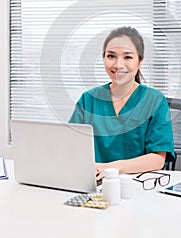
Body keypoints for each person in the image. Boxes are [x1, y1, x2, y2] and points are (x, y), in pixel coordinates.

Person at [69, 26, 175, 180]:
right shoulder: (88, 100)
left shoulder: (155, 100)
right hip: (93, 183)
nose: (118, 65)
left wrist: (112, 168)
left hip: (137, 185)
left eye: (127, 57)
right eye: (111, 56)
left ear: (140, 62)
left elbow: (158, 159)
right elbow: (70, 146)